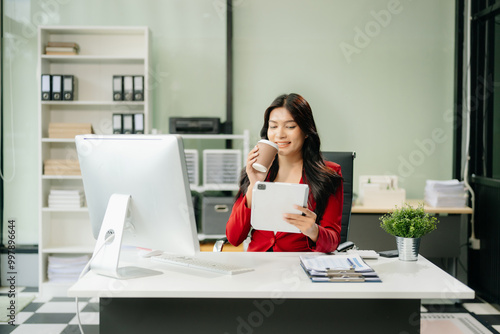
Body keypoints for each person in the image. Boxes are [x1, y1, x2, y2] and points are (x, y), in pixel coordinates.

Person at [226, 93, 343, 252]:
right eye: (273, 126)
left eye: (290, 126)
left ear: (306, 131)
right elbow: (234, 237)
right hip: (259, 266)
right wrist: (254, 184)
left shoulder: (329, 174)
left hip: (298, 268)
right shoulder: (256, 170)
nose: (279, 134)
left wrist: (313, 231)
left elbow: (333, 242)